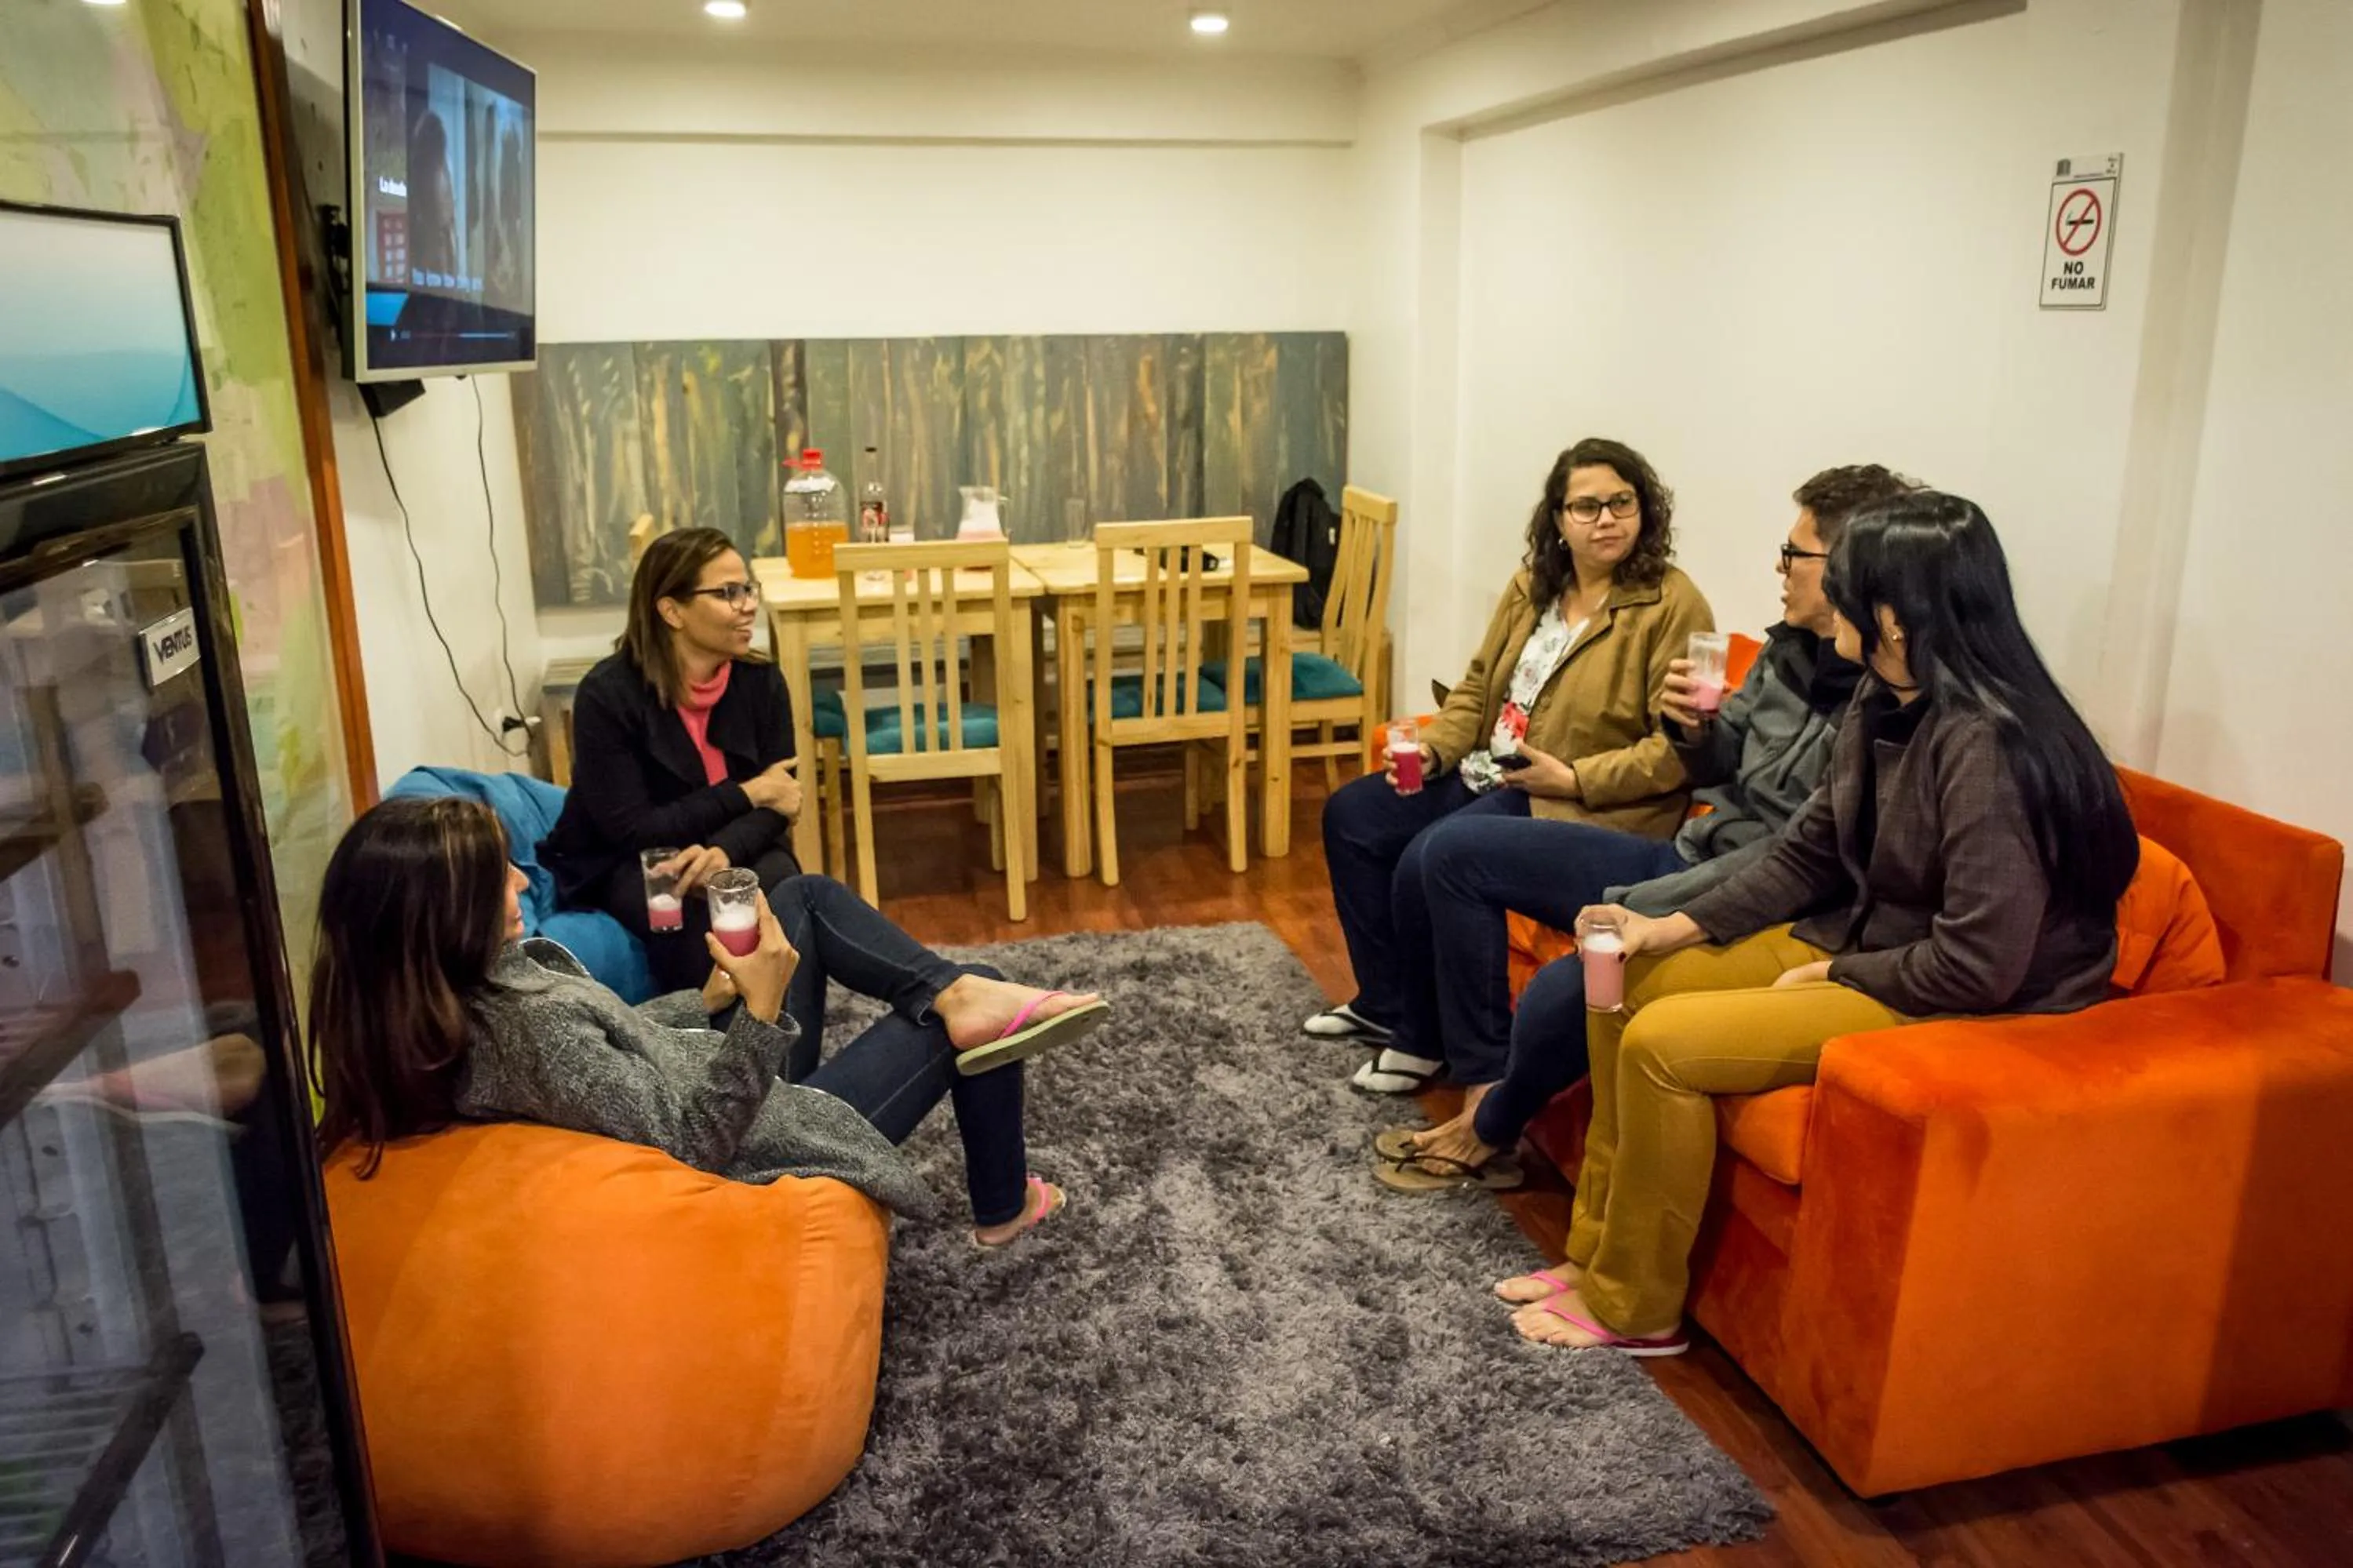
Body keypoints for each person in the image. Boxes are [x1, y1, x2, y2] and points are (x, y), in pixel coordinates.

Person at [1492, 491, 2139, 1353]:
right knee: (1618, 982)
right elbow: (1806, 854)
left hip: (1966, 996)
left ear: (1890, 615)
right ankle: (1599, 1253)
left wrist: (1837, 975)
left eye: (1840, 579)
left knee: (1660, 1046)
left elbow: (1979, 961)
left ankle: (1634, 1304)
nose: (1819, 593)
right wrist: (1668, 926)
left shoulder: (1985, 745)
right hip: (1877, 943)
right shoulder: (1881, 697)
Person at [1374, 465, 1915, 1190]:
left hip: (1758, 895)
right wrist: (1691, 728)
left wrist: (1655, 904)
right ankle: (1478, 1081)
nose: (1779, 570)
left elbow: (1806, 855)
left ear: (1852, 567)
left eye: (1795, 554)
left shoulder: (1889, 699)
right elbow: (1721, 763)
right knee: (1449, 851)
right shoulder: (1789, 648)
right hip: (1692, 850)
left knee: (1571, 984)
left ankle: (1489, 1130)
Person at [312, 795, 1093, 1245]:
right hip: (764, 1140)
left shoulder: (459, 994)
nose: (522, 879)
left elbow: (619, 1044)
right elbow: (690, 1149)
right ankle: (1002, 1203)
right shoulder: (527, 1034)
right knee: (979, 989)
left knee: (803, 897)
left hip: (710, 1074)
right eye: (498, 874)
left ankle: (952, 995)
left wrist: (709, 1001)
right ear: (438, 914)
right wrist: (758, 1011)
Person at [1303, 438, 1715, 1095]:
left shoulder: (1670, 603)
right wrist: (1437, 748)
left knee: (1430, 852)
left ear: (1645, 511)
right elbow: (1475, 688)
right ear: (1557, 518)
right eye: (1586, 506)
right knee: (1354, 813)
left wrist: (1575, 778)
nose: (1606, 518)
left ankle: (1441, 1047)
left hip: (1575, 799)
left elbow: (1674, 748)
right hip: (1490, 767)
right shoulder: (1533, 587)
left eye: (1621, 502)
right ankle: (1386, 1004)